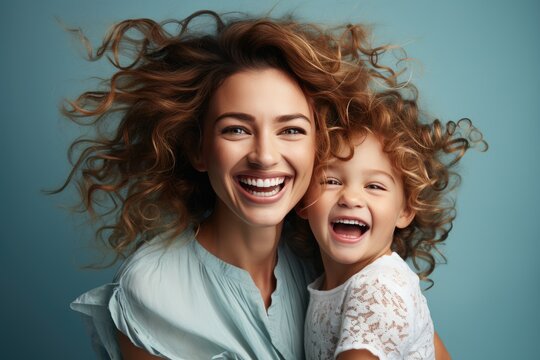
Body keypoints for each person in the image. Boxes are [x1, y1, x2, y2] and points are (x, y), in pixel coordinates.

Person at [59, 10, 382, 359]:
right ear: (199, 150)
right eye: (236, 129)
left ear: (317, 148)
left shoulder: (330, 255)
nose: (264, 156)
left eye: (291, 130)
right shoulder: (152, 289)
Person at [296, 88, 486, 359]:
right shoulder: (336, 280)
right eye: (332, 181)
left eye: (374, 185)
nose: (350, 197)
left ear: (406, 210)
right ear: (303, 200)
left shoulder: (378, 289)